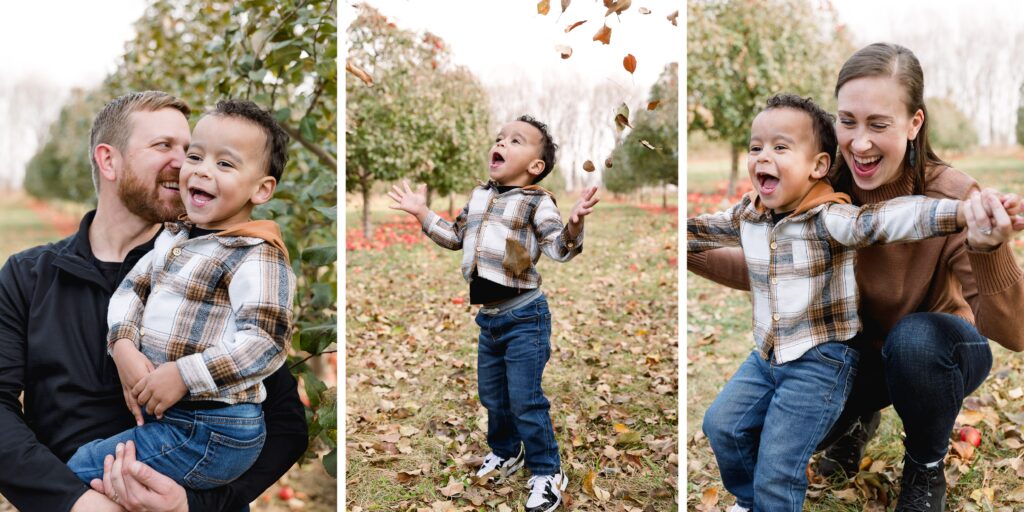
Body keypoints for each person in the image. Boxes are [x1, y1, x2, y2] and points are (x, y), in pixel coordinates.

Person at [689, 43, 1024, 512]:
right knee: (754, 433)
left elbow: (1014, 332)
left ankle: (924, 466)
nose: (860, 143)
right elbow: (777, 271)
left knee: (914, 343)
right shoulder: (816, 185)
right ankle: (855, 422)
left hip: (935, 352)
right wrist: (689, 250)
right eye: (848, 121)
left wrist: (988, 247)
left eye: (879, 124)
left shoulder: (951, 196)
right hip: (847, 356)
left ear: (914, 124)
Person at [0, 91, 308, 512]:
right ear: (108, 160)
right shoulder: (26, 277)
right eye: (166, 147)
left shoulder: (219, 267)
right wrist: (78, 504)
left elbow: (286, 424)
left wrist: (193, 505)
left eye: (188, 149)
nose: (184, 164)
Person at [388, 115, 599, 512]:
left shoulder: (537, 202)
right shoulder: (480, 196)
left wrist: (573, 224)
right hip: (490, 319)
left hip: (525, 317)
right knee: (493, 395)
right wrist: (421, 213)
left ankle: (546, 469)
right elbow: (454, 236)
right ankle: (505, 451)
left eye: (515, 140)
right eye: (499, 137)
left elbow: (558, 248)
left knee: (525, 398)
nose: (500, 142)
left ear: (535, 166)